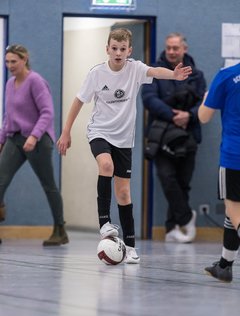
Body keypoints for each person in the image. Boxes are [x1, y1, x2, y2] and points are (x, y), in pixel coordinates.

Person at [57, 28, 192, 263]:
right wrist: (66, 131)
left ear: (129, 51)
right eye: (114, 48)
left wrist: (173, 75)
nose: (118, 53)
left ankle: (130, 247)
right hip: (99, 132)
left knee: (123, 192)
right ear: (107, 49)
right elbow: (79, 101)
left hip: (124, 139)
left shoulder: (135, 69)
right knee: (106, 165)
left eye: (122, 49)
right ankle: (104, 223)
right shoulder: (96, 74)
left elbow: (155, 71)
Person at [0, 44, 68, 246]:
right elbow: (8, 116)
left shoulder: (36, 81)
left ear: (24, 60)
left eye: (14, 61)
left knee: (48, 185)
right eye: (7, 61)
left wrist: (34, 136)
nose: (10, 65)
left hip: (38, 141)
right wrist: (1, 138)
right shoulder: (10, 84)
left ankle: (60, 230)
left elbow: (47, 112)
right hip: (15, 138)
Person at [142, 32, 206, 243]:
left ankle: (172, 229)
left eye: (175, 48)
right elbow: (149, 99)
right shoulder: (155, 71)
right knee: (167, 178)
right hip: (161, 136)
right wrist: (173, 116)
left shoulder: (196, 74)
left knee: (183, 183)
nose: (171, 51)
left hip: (188, 134)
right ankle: (187, 217)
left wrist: (189, 115)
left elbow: (205, 103)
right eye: (168, 47)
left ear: (184, 49)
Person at [198, 62, 240, 282]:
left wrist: (206, 98)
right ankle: (225, 265)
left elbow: (204, 117)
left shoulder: (226, 75)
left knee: (233, 208)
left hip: (234, 154)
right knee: (232, 215)